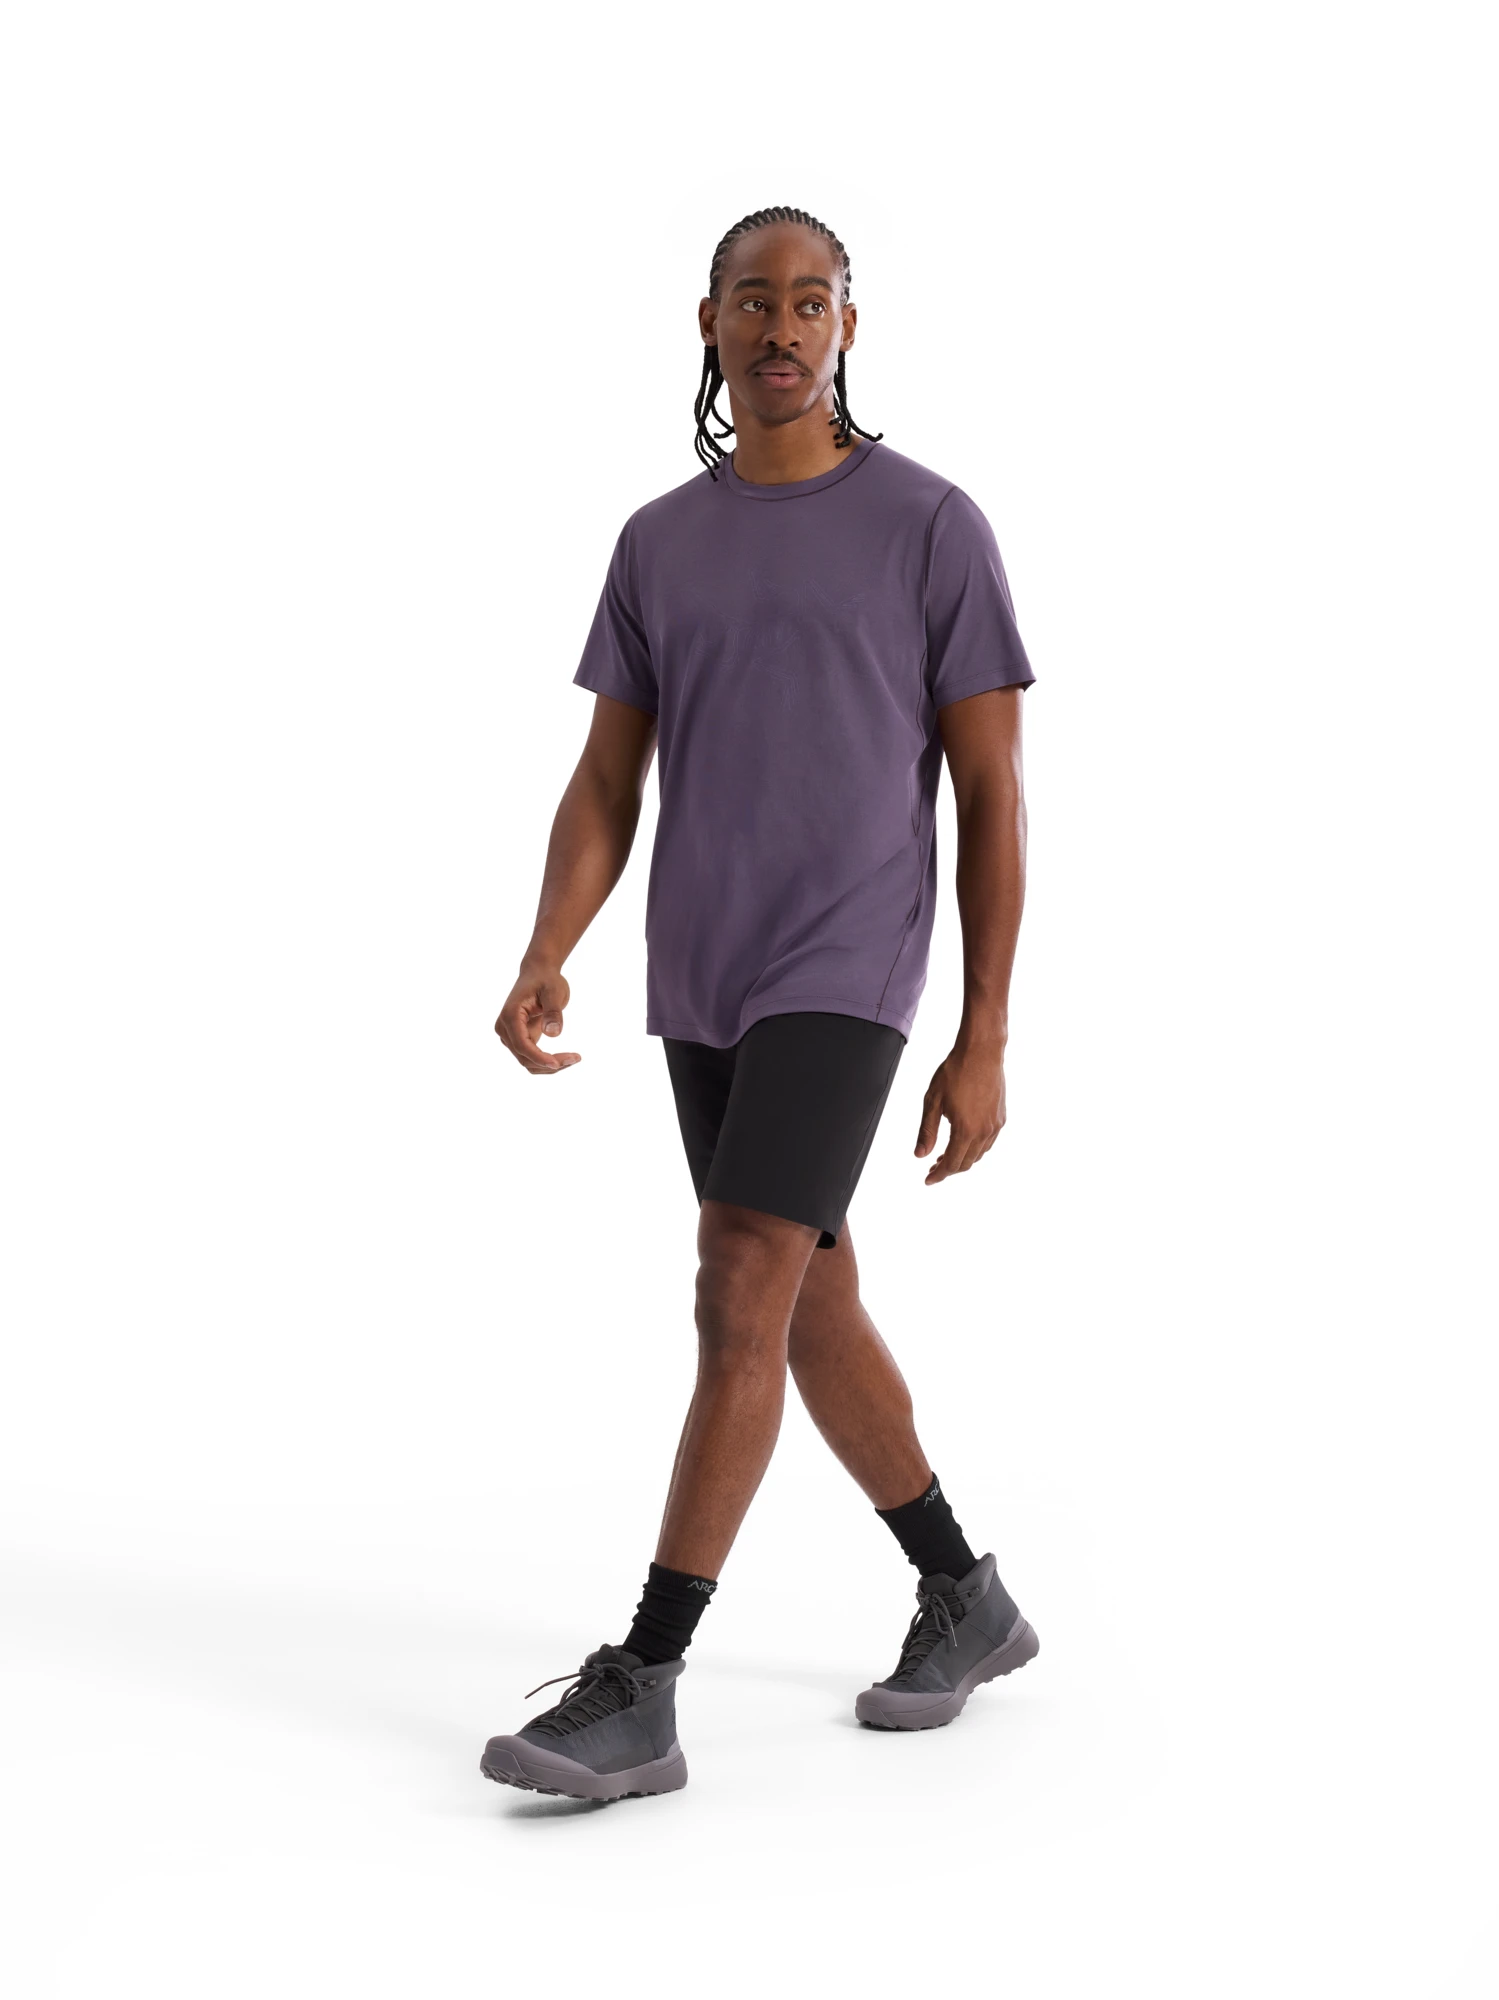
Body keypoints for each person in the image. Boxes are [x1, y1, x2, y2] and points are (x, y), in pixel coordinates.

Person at [481, 205, 1039, 1802]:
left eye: (810, 302)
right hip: (704, 973)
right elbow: (609, 777)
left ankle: (644, 1683)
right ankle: (964, 1593)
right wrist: (546, 944)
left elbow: (993, 792)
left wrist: (983, 1032)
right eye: (753, 300)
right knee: (802, 1303)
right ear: (709, 323)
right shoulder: (659, 541)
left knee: (737, 1282)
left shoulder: (932, 526)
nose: (781, 327)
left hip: (847, 965)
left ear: (848, 325)